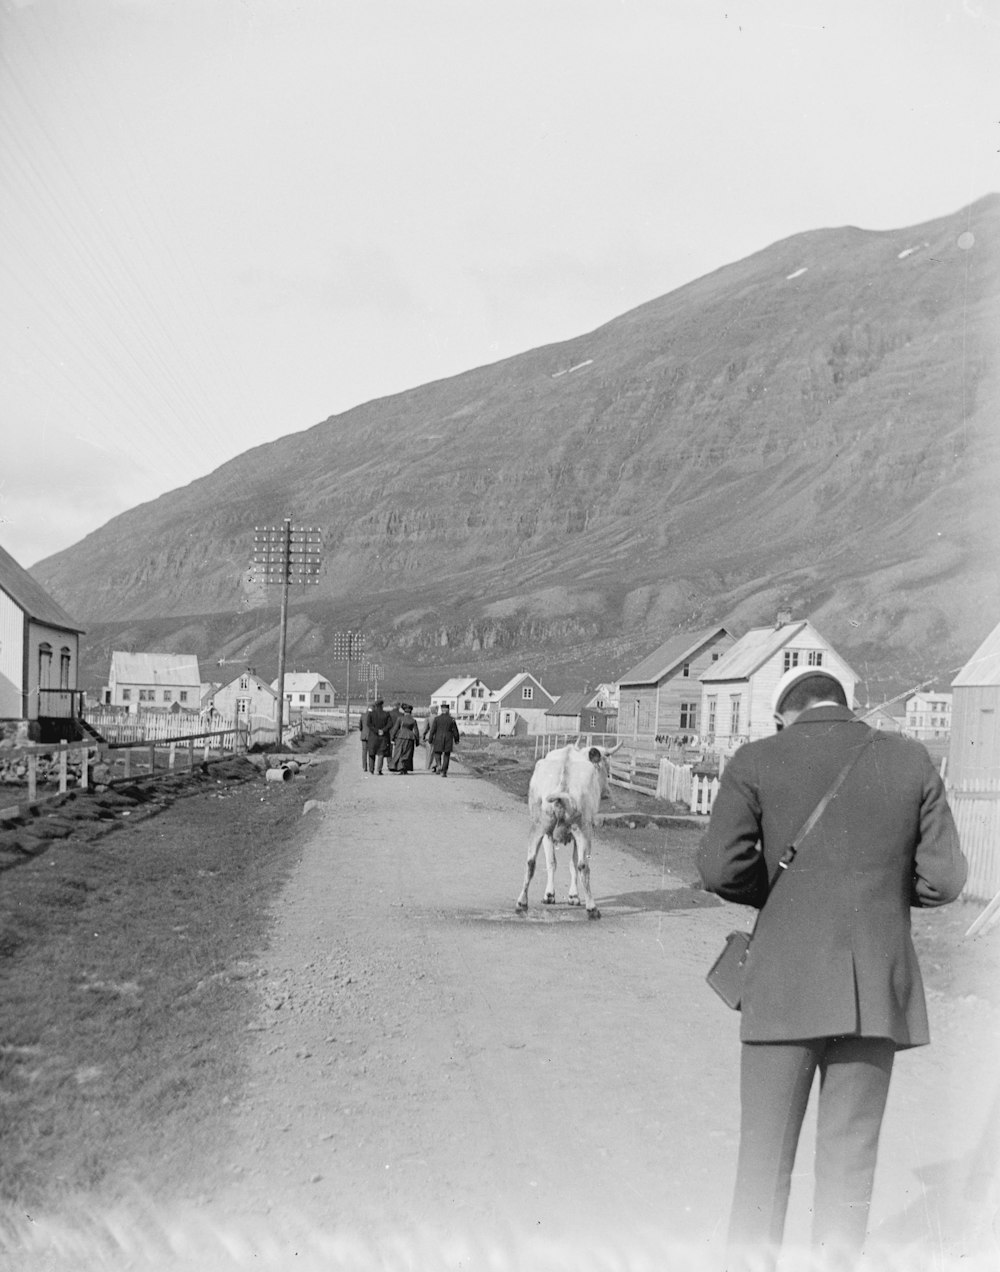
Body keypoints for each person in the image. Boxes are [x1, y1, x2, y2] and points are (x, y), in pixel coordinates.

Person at [697, 666, 967, 1272]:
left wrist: (779, 895)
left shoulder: (756, 758)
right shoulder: (910, 759)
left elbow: (720, 868)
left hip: (783, 989)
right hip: (875, 990)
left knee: (763, 1167)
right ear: (846, 707)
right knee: (850, 1170)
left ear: (785, 715)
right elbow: (945, 879)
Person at [426, 701, 460, 777]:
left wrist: (430, 739)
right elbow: (455, 731)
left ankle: (438, 765)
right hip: (448, 738)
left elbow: (433, 730)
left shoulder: (437, 719)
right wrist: (457, 739)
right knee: (446, 755)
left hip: (438, 738)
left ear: (442, 710)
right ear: (448, 710)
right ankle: (444, 771)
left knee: (437, 752)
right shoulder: (452, 719)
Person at [390, 704, 421, 774]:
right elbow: (416, 732)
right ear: (411, 712)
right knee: (407, 754)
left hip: (400, 737)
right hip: (410, 737)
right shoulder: (413, 720)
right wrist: (417, 742)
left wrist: (392, 738)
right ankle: (404, 768)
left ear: (404, 712)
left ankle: (398, 767)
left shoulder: (400, 718)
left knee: (399, 752)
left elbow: (395, 729)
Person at [365, 698, 392, 775]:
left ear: (375, 706)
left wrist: (376, 730)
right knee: (381, 753)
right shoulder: (386, 714)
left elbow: (369, 724)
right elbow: (390, 724)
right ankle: (379, 770)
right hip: (383, 737)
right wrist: (383, 730)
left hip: (373, 737)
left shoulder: (371, 714)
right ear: (382, 706)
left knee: (372, 753)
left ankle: (371, 769)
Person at [422, 705, 439, 771]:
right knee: (436, 752)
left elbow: (425, 729)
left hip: (429, 737)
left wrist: (423, 736)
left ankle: (428, 766)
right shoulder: (439, 718)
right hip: (437, 737)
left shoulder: (428, 719)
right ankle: (435, 765)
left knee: (429, 752)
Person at [358, 706, 371, 774]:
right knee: (371, 752)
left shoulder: (363, 716)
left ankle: (364, 767)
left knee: (364, 751)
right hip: (371, 736)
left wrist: (362, 731)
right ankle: (371, 766)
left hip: (364, 736)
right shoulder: (373, 716)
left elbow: (360, 726)